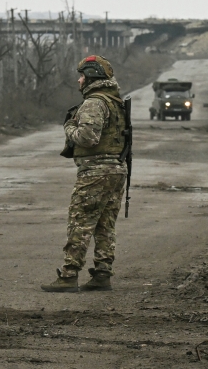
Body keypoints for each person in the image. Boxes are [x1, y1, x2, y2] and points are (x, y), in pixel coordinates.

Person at [41, 55, 128, 293]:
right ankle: (102, 274)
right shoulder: (114, 101)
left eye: (82, 76)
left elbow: (88, 138)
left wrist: (69, 127)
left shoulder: (94, 102)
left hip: (95, 171)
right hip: (117, 170)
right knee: (105, 225)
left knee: (80, 222)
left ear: (92, 77)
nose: (79, 81)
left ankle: (69, 276)